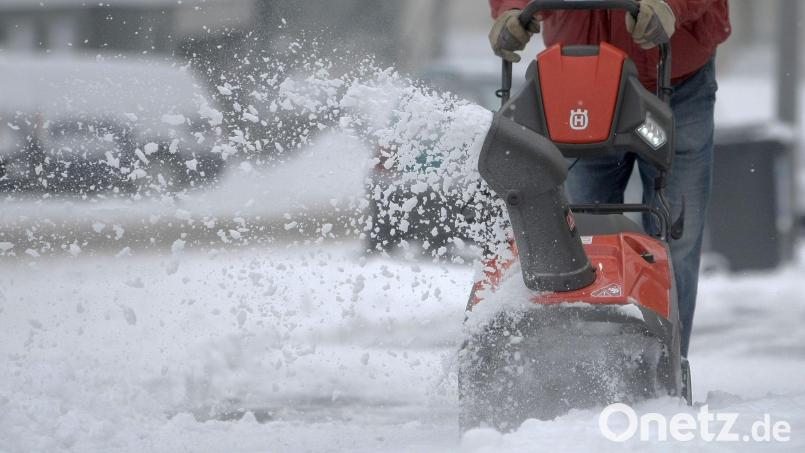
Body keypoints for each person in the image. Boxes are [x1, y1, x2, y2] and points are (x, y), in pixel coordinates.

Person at [487, 0, 731, 357]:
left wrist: (670, 6)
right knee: (578, 237)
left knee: (677, 237)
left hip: (677, 79)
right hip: (580, 81)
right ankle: (583, 362)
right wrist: (513, 9)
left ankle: (667, 362)